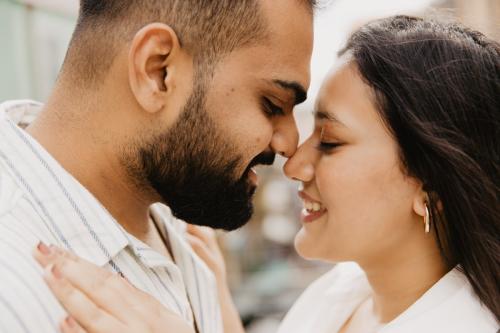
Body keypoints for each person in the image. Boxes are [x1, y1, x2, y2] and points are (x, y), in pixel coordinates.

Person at [34, 15, 499, 333]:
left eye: (331, 143)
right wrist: (216, 301)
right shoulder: (346, 292)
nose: (294, 163)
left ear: (429, 184)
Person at [0, 1, 316, 332]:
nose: (290, 144)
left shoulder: (186, 232)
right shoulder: (15, 294)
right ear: (158, 71)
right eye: (272, 104)